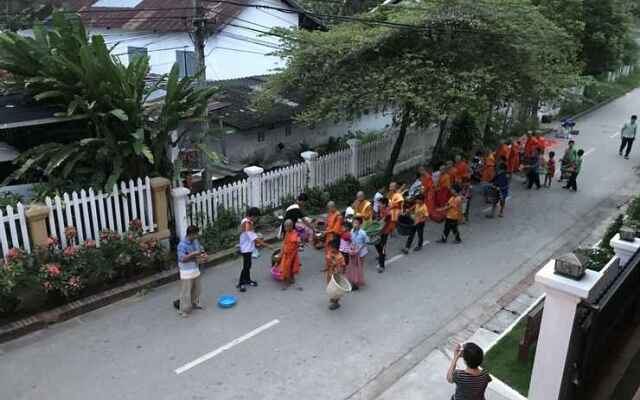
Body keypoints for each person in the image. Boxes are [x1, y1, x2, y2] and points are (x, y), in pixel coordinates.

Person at [176, 225, 206, 317]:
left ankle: (194, 303)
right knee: (186, 292)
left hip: (195, 268)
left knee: (197, 289)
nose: (197, 236)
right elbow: (182, 259)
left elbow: (200, 249)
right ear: (191, 234)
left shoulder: (195, 241)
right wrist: (193, 254)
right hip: (186, 271)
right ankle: (183, 310)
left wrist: (204, 254)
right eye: (196, 234)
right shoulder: (182, 245)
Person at [237, 207, 268, 292]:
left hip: (248, 247)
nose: (257, 218)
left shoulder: (247, 221)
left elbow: (250, 235)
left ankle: (247, 280)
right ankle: (241, 283)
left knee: (248, 265)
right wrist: (267, 245)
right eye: (256, 216)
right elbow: (253, 237)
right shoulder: (247, 223)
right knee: (246, 266)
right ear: (253, 216)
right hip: (246, 248)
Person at [346, 217, 369, 290]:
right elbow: (351, 241)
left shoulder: (363, 233)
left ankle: (356, 283)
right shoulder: (352, 230)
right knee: (353, 267)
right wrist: (351, 248)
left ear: (360, 224)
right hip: (353, 252)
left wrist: (359, 249)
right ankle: (354, 280)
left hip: (361, 253)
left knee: (358, 267)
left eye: (356, 223)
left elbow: (366, 242)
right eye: (353, 223)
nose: (354, 224)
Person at [324, 237, 347, 310]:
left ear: (336, 248)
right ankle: (333, 298)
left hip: (336, 274)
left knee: (336, 289)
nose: (330, 249)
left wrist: (339, 273)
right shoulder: (330, 252)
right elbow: (327, 260)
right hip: (330, 272)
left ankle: (336, 303)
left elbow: (343, 266)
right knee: (330, 286)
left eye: (331, 248)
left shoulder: (340, 257)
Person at [279, 219, 301, 288]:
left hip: (292, 254)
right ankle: (289, 279)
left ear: (291, 226)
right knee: (287, 267)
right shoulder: (287, 233)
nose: (285, 229)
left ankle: (289, 282)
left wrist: (299, 242)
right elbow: (284, 243)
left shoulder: (295, 234)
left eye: (286, 227)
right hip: (286, 253)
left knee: (290, 267)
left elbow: (298, 243)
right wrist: (281, 252)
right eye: (285, 227)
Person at [376, 197, 393, 273]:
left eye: (380, 203)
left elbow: (383, 222)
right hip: (380, 231)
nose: (379, 204)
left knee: (382, 247)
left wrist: (375, 228)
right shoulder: (381, 208)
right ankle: (381, 255)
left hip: (385, 231)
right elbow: (379, 218)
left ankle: (381, 266)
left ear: (384, 204)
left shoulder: (388, 212)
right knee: (376, 244)